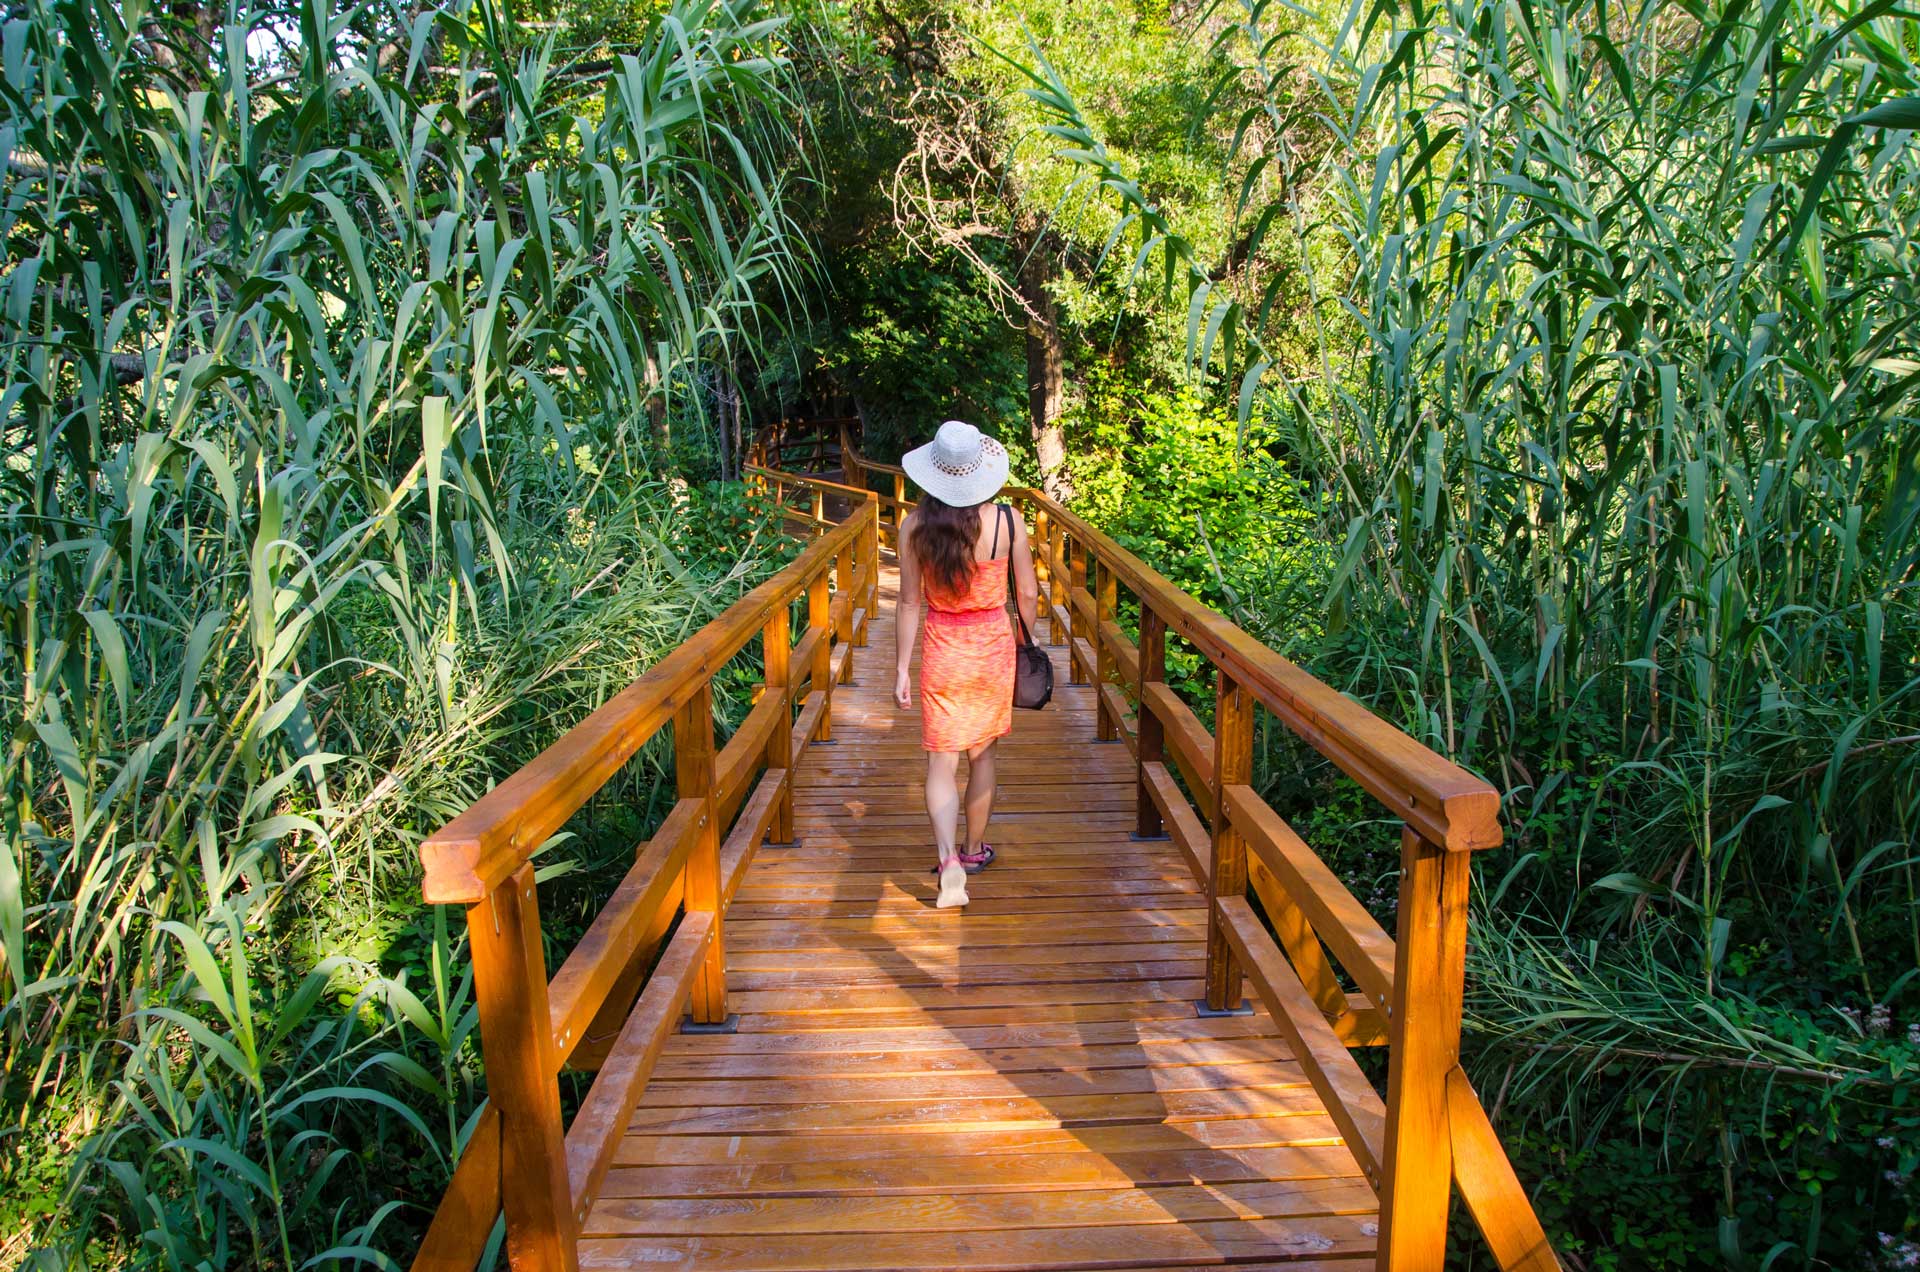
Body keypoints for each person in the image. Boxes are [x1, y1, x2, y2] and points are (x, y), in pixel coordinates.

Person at [894, 420, 1041, 909]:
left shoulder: (914, 528)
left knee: (941, 760)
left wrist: (899, 668)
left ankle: (947, 861)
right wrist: (1028, 637)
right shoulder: (1007, 522)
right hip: (991, 647)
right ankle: (974, 850)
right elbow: (1027, 591)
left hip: (942, 648)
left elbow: (909, 603)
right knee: (983, 756)